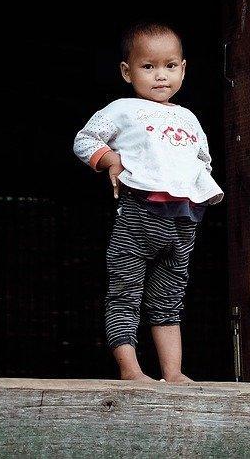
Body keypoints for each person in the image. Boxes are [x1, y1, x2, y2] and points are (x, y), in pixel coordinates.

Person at [72, 20, 224, 383]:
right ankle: (131, 370)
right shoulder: (122, 109)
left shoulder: (188, 117)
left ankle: (173, 373)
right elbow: (84, 140)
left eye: (170, 66)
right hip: (140, 215)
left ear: (183, 69)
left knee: (170, 296)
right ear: (127, 71)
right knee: (125, 292)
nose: (161, 76)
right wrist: (110, 159)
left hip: (184, 220)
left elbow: (202, 161)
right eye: (148, 67)